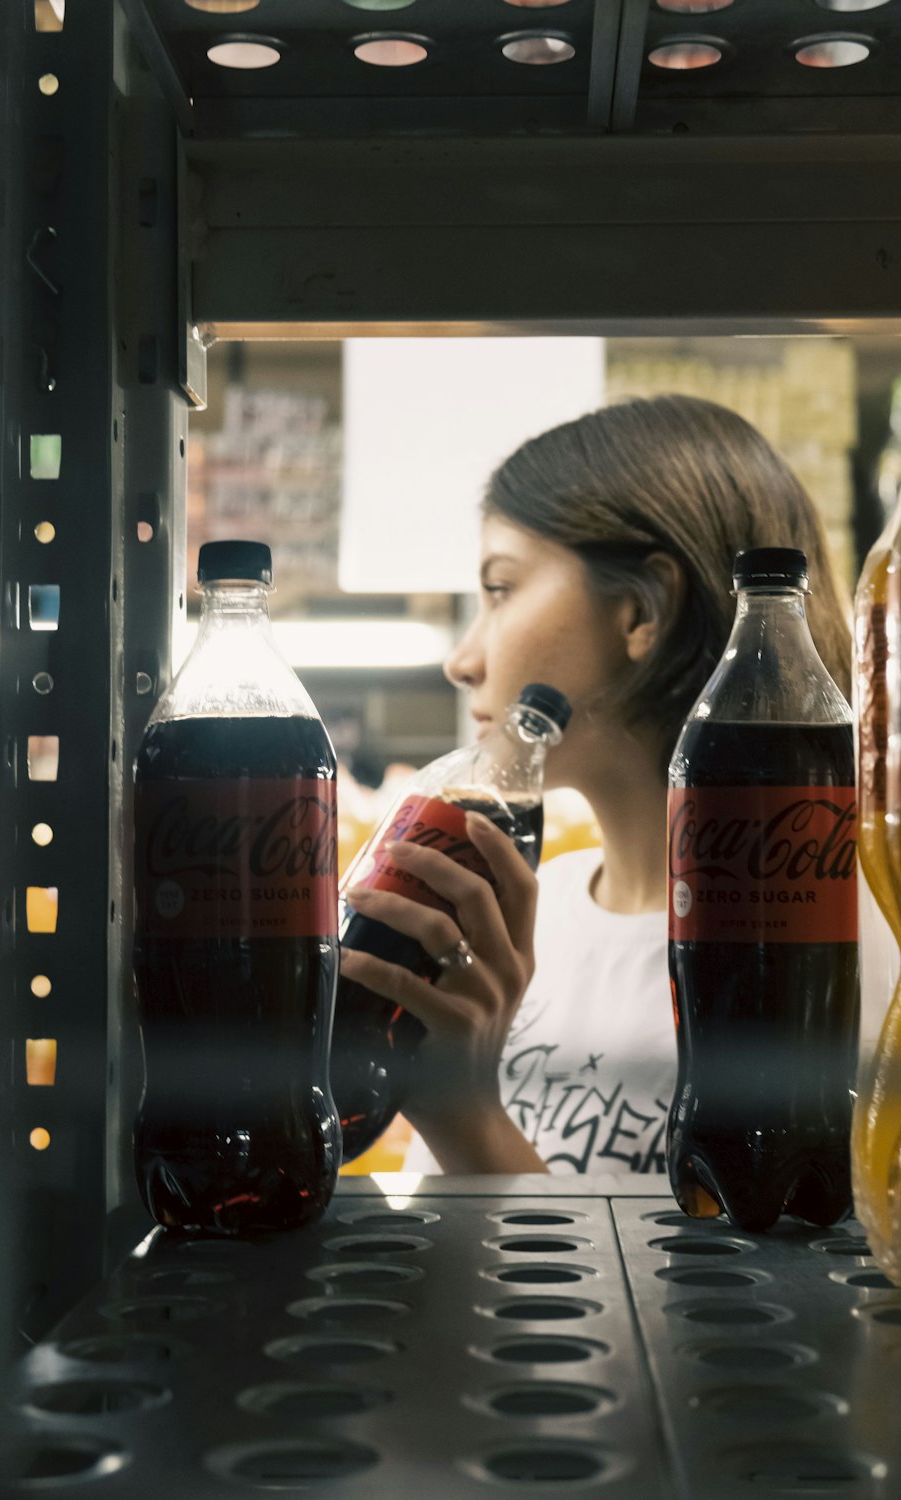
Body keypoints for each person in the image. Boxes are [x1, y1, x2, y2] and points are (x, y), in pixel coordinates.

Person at [339, 394, 853, 1175]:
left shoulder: (828, 945)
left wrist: (463, 1114)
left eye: (501, 588)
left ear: (641, 611)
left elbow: (747, 1292)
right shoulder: (532, 911)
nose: (463, 659)